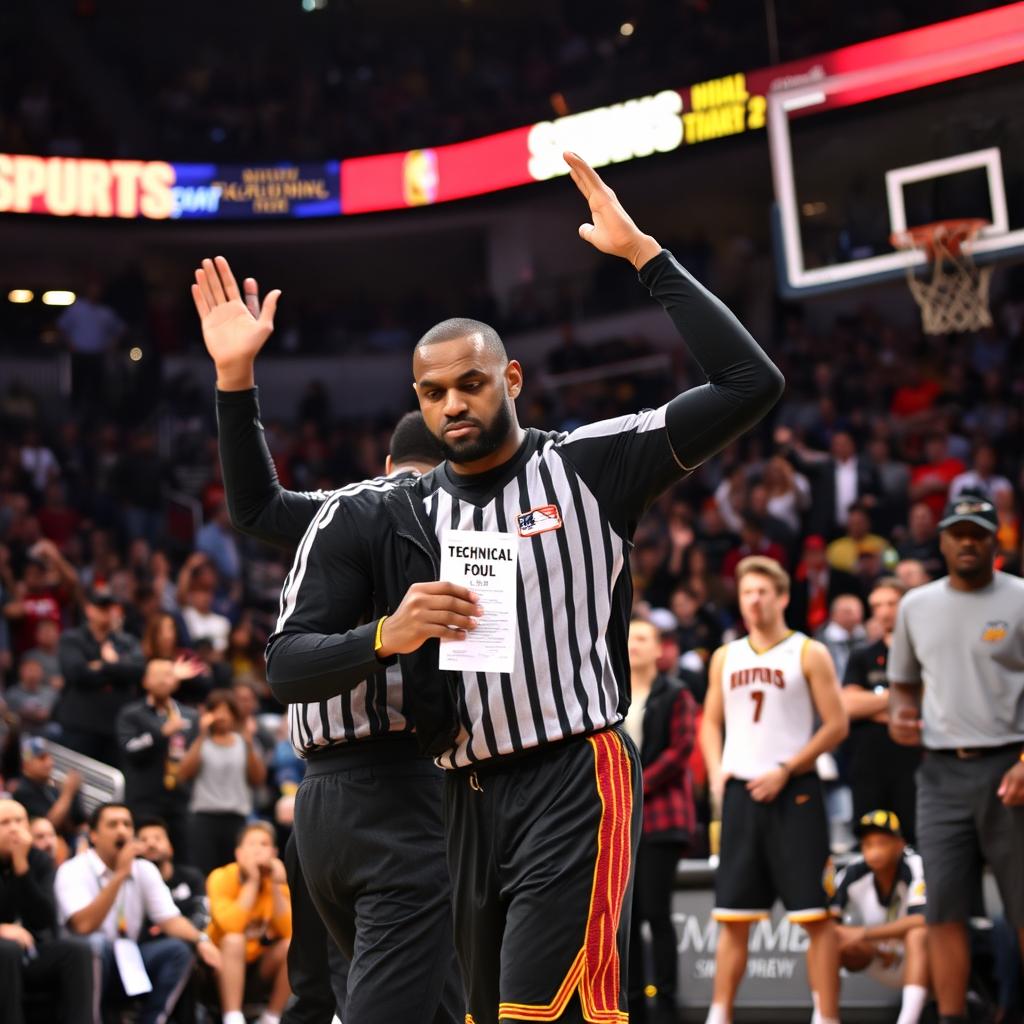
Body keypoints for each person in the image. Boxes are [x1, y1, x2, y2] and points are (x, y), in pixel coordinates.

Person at [257, 151, 784, 1024]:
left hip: (572, 770)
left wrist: (647, 257)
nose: (452, 405)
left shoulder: (588, 463)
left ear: (511, 379)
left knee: (546, 1014)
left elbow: (749, 383)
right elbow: (266, 514)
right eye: (433, 394)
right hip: (458, 795)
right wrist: (236, 386)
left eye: (470, 384)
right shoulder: (402, 510)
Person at [198, 251, 459, 1024]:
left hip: (316, 805)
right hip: (411, 788)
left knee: (337, 1000)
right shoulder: (465, 518)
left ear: (383, 464)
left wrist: (235, 383)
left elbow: (252, 505)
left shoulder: (344, 507)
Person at [889, 492, 1024, 1024]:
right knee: (942, 910)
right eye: (959, 532)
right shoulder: (914, 606)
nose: (969, 541)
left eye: (979, 532)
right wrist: (901, 713)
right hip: (940, 772)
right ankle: (950, 1018)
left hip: (1010, 766)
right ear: (941, 540)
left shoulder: (1020, 597)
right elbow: (902, 685)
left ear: (995, 542)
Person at [699, 556, 848, 1024]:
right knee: (732, 918)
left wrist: (787, 768)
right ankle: (719, 1013)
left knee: (815, 916)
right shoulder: (726, 656)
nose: (754, 599)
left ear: (782, 597)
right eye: (747, 592)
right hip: (742, 794)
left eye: (763, 591)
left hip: (796, 791)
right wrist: (716, 771)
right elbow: (709, 721)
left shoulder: (808, 651)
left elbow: (837, 724)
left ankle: (825, 1016)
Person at [54, 802, 221, 1024]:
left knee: (179, 950)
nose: (122, 830)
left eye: (127, 824)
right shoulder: (73, 869)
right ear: (93, 835)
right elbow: (83, 926)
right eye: (113, 824)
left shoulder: (144, 869)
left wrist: (201, 940)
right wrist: (120, 875)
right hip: (84, 962)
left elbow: (169, 919)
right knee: (95, 944)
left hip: (127, 957)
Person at [624, 618, 697, 1024]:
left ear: (659, 649)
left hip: (662, 817)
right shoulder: (609, 690)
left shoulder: (677, 693)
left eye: (643, 638)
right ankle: (632, 1001)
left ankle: (666, 1000)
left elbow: (680, 750)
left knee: (656, 910)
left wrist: (634, 785)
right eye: (630, 637)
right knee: (626, 915)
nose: (634, 644)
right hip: (621, 818)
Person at [0, 795, 94, 1024]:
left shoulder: (39, 860)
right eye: (5, 823)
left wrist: (21, 866)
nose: (14, 829)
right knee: (7, 949)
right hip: (4, 950)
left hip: (31, 949)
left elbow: (44, 918)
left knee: (77, 950)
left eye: (20, 822)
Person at [832, 810, 930, 1024]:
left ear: (900, 844)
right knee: (827, 943)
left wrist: (864, 933)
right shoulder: (851, 873)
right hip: (878, 958)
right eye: (868, 844)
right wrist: (873, 946)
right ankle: (825, 1017)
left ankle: (908, 1021)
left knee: (919, 934)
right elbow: (829, 927)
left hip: (925, 960)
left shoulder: (915, 865)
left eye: (882, 843)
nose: (874, 851)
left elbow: (923, 919)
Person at [842, 578, 920, 841]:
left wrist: (873, 703)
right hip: (869, 763)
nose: (884, 611)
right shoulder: (862, 655)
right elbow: (848, 705)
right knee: (872, 840)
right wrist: (901, 696)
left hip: (915, 761)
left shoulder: (923, 649)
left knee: (917, 839)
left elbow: (929, 700)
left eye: (891, 603)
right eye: (877, 605)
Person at [207, 821, 292, 1024]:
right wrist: (253, 881)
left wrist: (275, 884)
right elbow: (231, 926)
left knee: (292, 946)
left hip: (257, 967)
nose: (258, 851)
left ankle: (271, 1018)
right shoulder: (221, 877)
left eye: (264, 845)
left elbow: (289, 930)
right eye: (251, 844)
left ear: (274, 853)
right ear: (238, 853)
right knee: (234, 940)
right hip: (217, 967)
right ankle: (232, 1017)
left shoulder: (277, 881)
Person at [117, 657, 202, 858]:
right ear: (145, 681)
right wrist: (161, 734)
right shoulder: (132, 714)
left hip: (180, 798)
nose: (165, 680)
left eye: (169, 674)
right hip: (145, 799)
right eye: (158, 675)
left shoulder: (189, 715)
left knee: (182, 856)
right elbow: (129, 749)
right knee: (144, 854)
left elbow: (195, 754)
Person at [55, 585, 146, 765]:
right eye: (101, 607)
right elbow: (76, 672)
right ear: (89, 609)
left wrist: (102, 666)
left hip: (116, 726)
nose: (107, 612)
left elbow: (138, 670)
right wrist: (115, 666)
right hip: (81, 725)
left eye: (109, 608)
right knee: (78, 778)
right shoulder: (72, 639)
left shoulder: (127, 641)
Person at [178, 689, 266, 875]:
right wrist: (201, 735)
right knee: (204, 873)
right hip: (204, 817)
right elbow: (183, 773)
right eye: (216, 710)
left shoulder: (244, 743)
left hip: (236, 818)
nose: (221, 716)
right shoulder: (201, 743)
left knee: (235, 873)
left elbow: (257, 778)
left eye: (226, 711)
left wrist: (249, 743)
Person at [11, 735, 86, 844]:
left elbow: (79, 821)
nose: (49, 763)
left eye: (49, 757)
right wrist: (68, 793)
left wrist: (75, 792)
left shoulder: (53, 787)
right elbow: (48, 826)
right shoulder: (22, 791)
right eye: (42, 758)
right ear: (26, 764)